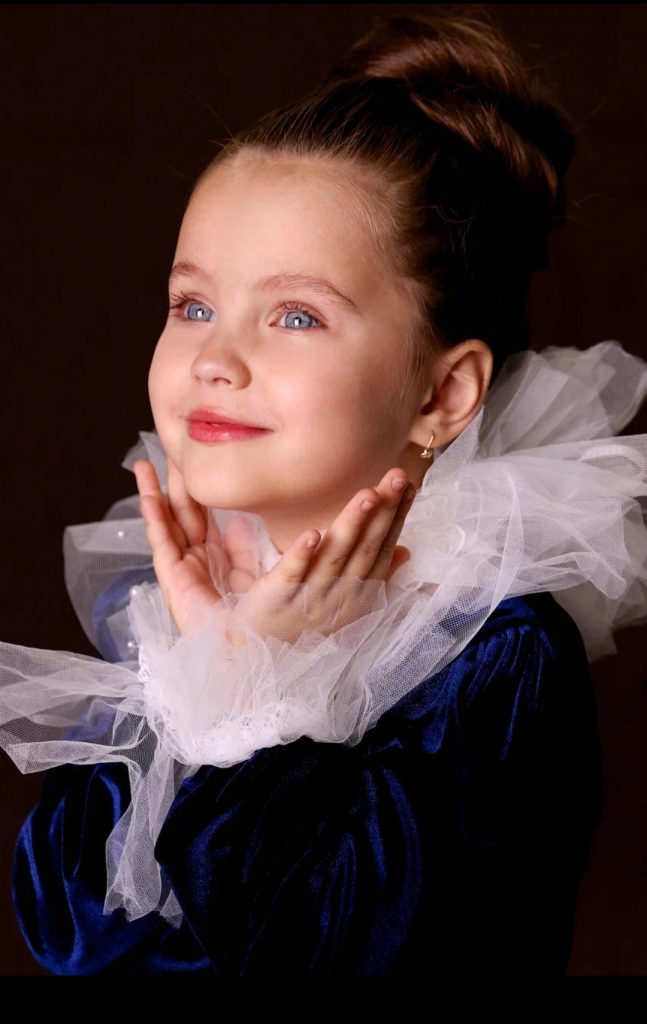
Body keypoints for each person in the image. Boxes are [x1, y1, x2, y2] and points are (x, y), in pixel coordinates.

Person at [3, 9, 647, 976]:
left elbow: (328, 950)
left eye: (295, 315)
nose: (215, 359)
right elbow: (71, 935)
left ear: (441, 395)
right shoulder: (188, 584)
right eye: (193, 304)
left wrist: (254, 706)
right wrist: (216, 661)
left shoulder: (494, 651)